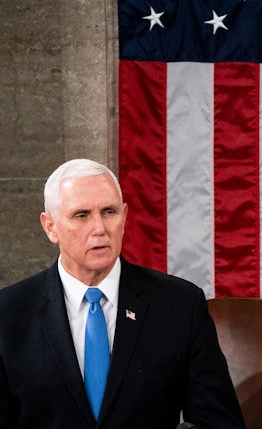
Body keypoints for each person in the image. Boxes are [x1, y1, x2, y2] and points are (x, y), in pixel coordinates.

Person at [0, 159, 245, 428]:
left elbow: (219, 423)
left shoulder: (180, 306)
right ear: (50, 227)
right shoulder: (8, 313)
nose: (99, 229)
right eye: (81, 215)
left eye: (109, 212)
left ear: (125, 217)